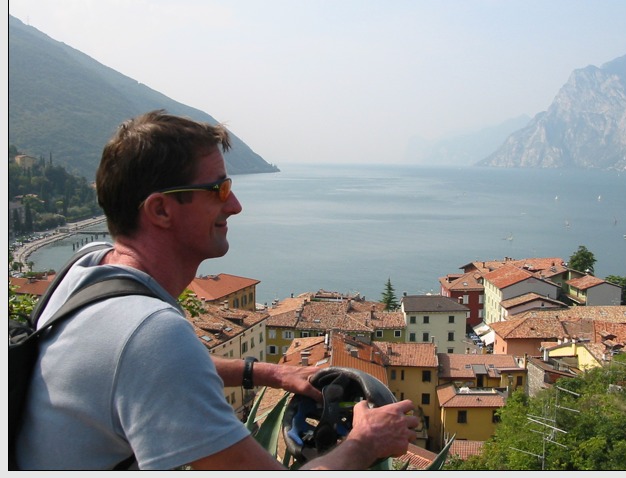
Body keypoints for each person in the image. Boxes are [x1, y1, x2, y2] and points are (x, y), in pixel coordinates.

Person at [15, 110, 419, 470]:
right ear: (160, 210)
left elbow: (145, 370)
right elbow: (153, 358)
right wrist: (366, 444)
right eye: (220, 190)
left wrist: (271, 372)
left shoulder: (88, 267)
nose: (236, 205)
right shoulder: (149, 334)